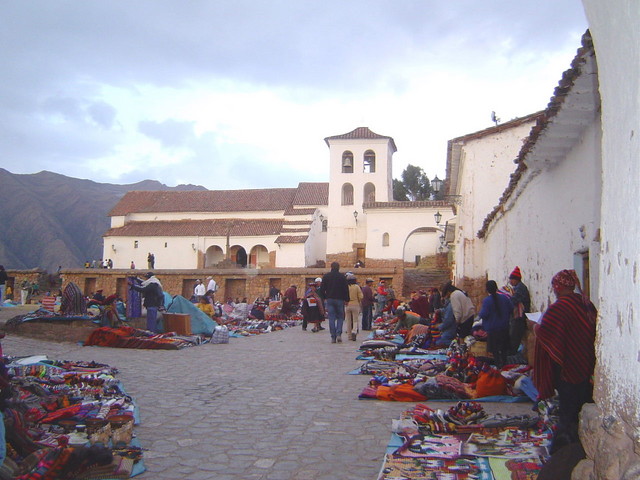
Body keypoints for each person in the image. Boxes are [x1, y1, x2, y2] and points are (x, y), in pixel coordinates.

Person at [533, 269, 596, 452]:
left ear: (558, 287)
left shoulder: (559, 308)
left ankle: (563, 450)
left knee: (567, 410)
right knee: (581, 404)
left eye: (554, 286)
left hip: (566, 367)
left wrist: (536, 328)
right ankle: (581, 447)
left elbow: (546, 333)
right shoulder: (587, 305)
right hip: (585, 363)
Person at [478, 280, 512, 368]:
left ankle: (498, 368)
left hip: (493, 331)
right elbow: (511, 309)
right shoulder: (504, 298)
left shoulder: (487, 301)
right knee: (503, 350)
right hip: (504, 328)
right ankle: (504, 366)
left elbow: (483, 314)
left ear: (487, 290)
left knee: (495, 351)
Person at [319, 261, 349, 343]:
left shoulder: (326, 276)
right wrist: (346, 299)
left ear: (331, 267)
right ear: (338, 268)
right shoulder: (342, 277)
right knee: (340, 317)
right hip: (340, 299)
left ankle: (333, 336)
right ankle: (339, 334)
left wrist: (324, 297)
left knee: (331, 318)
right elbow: (345, 289)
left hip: (330, 299)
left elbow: (322, 289)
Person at [507, 266, 531, 355]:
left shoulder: (520, 288)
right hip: (517, 317)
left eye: (511, 280)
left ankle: (512, 355)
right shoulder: (517, 288)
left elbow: (514, 300)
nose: (510, 282)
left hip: (519, 318)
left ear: (516, 280)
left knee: (514, 337)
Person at [345, 273, 363, 341]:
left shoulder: (346, 287)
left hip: (348, 305)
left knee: (348, 321)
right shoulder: (356, 287)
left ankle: (349, 336)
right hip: (355, 304)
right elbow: (361, 296)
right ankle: (354, 331)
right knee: (355, 320)